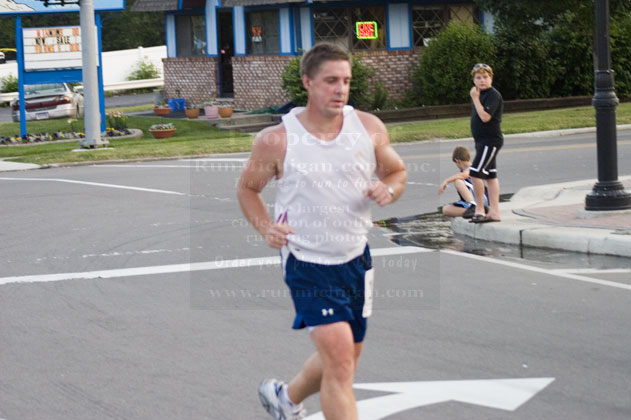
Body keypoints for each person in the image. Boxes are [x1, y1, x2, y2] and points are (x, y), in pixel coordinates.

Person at [237, 42, 407, 420]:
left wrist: (389, 189)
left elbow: (396, 172)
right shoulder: (277, 139)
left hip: (355, 259)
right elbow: (247, 189)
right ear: (308, 83)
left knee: (345, 359)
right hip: (307, 261)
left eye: (345, 80)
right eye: (331, 80)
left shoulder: (368, 127)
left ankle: (285, 398)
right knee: (341, 363)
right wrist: (266, 227)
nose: (340, 89)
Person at [468, 63, 503, 223]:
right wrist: (476, 97)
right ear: (474, 80)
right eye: (478, 77)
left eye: (485, 77)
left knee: (475, 173)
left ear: (491, 78)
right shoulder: (479, 94)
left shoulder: (493, 95)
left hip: (490, 141)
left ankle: (480, 209)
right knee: (490, 176)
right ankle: (494, 212)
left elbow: (485, 117)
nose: (482, 80)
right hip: (481, 141)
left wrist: (475, 99)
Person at [438, 146, 488, 218]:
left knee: (458, 181)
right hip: (475, 200)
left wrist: (446, 180)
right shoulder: (466, 170)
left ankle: (473, 206)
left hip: (480, 200)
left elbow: (463, 175)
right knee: (445, 209)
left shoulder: (473, 168)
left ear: (457, 161)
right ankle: (474, 211)